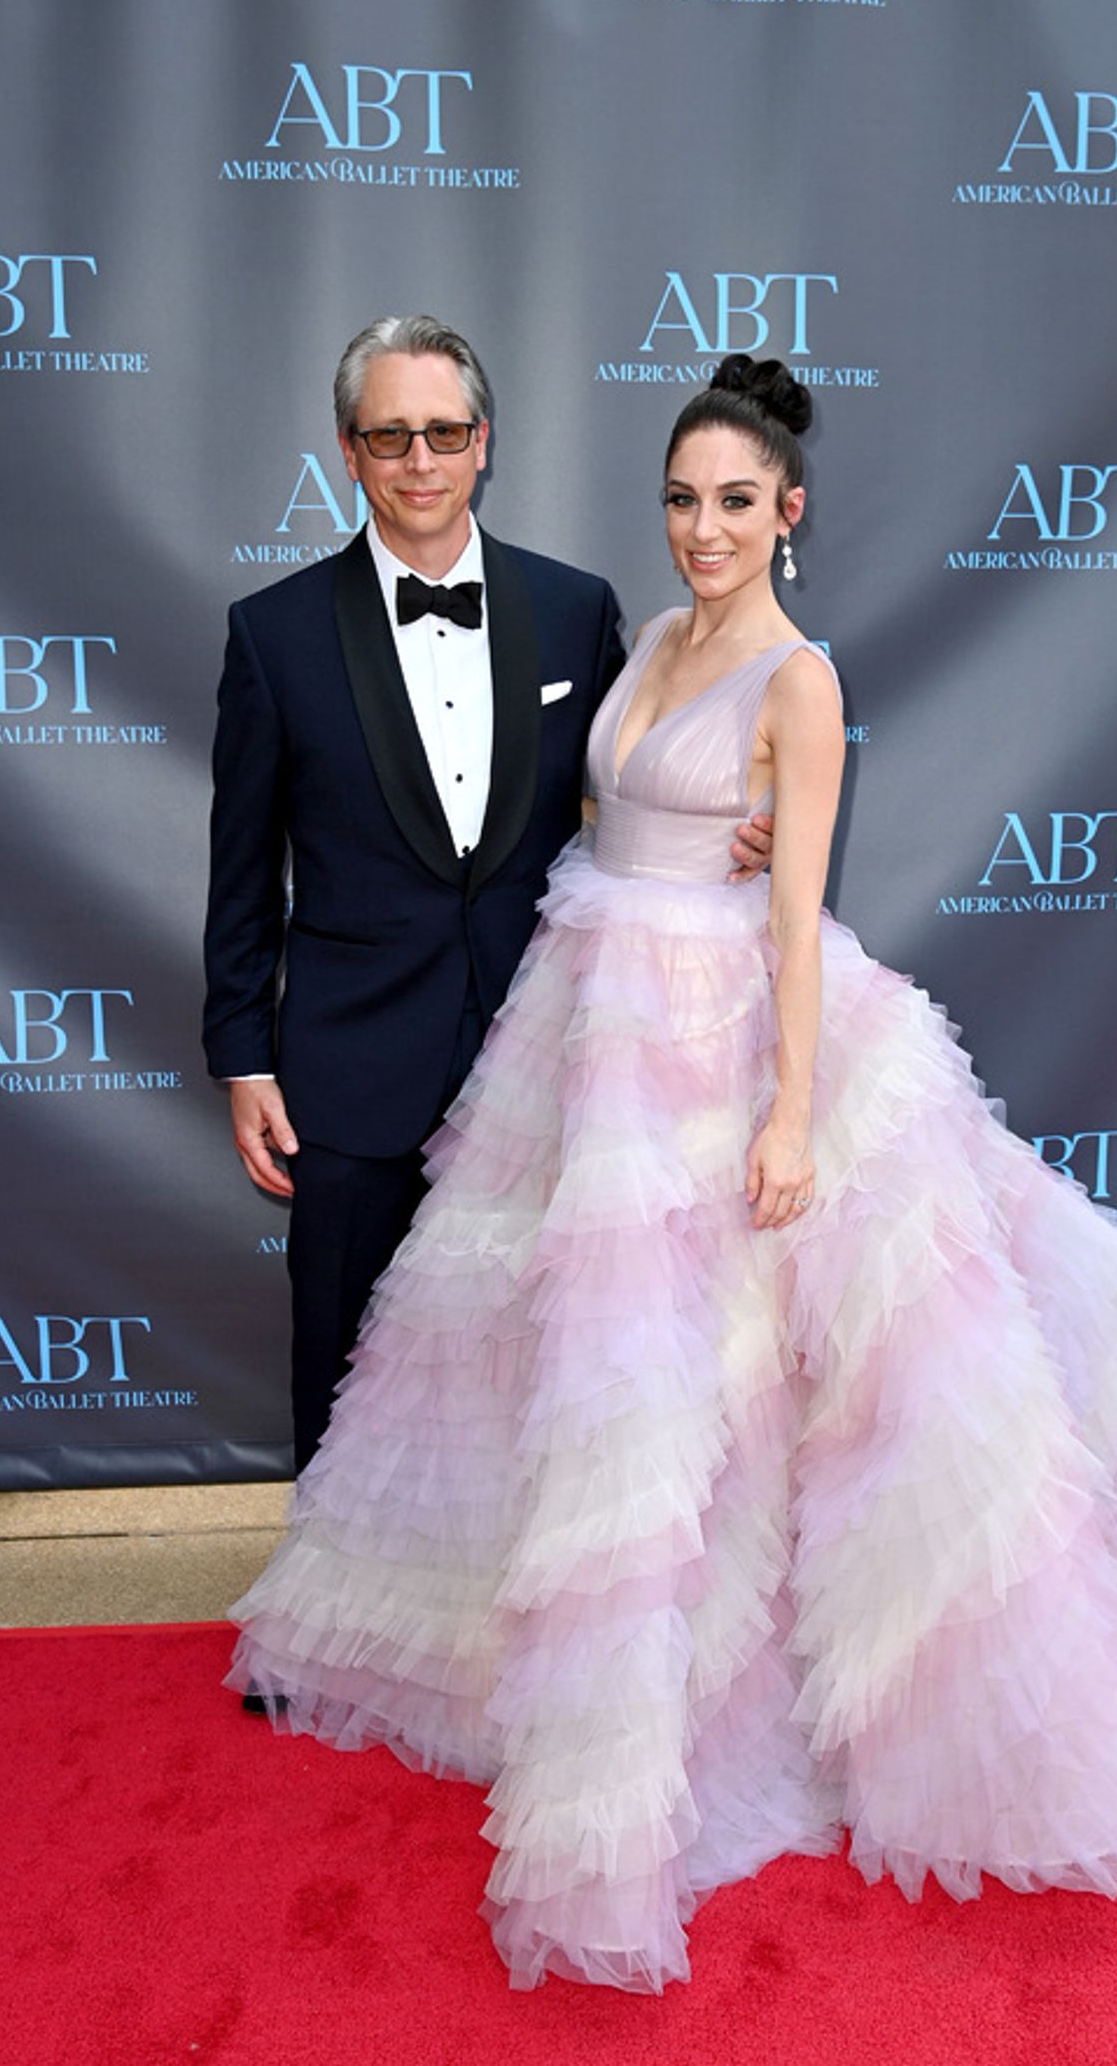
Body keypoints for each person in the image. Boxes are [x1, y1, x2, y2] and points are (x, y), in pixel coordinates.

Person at [227, 356, 1117, 1994]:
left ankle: (695, 1721)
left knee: (729, 1390)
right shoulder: (644, 638)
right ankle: (580, 1684)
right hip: (590, 1028)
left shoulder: (799, 677)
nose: (703, 529)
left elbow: (792, 914)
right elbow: (586, 817)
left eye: (735, 502)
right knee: (607, 1384)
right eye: (681, 499)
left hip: (719, 1040)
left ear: (789, 512)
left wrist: (793, 1113)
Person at [202, 314, 775, 1482]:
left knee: (536, 1365)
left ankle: (493, 1647)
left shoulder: (574, 609)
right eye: (390, 436)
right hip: (350, 1066)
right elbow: (241, 868)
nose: (420, 461)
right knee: (347, 1362)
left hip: (551, 1055)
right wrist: (242, 1057)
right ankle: (330, 1640)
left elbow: (624, 788)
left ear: (482, 442)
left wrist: (737, 830)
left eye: (443, 432)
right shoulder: (273, 635)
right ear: (348, 450)